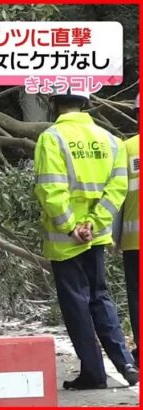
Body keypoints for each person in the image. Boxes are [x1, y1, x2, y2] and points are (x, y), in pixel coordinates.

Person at [34, 87, 139, 389]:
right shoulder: (112, 140)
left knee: (76, 304)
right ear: (86, 103)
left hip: (65, 239)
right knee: (100, 297)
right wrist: (94, 224)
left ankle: (93, 373)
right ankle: (127, 365)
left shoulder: (51, 138)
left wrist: (71, 226)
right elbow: (117, 190)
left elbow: (50, 190)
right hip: (96, 236)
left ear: (54, 104)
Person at [113, 93, 139, 367]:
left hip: (135, 239)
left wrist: (114, 236)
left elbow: (117, 195)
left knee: (137, 295)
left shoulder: (126, 148)